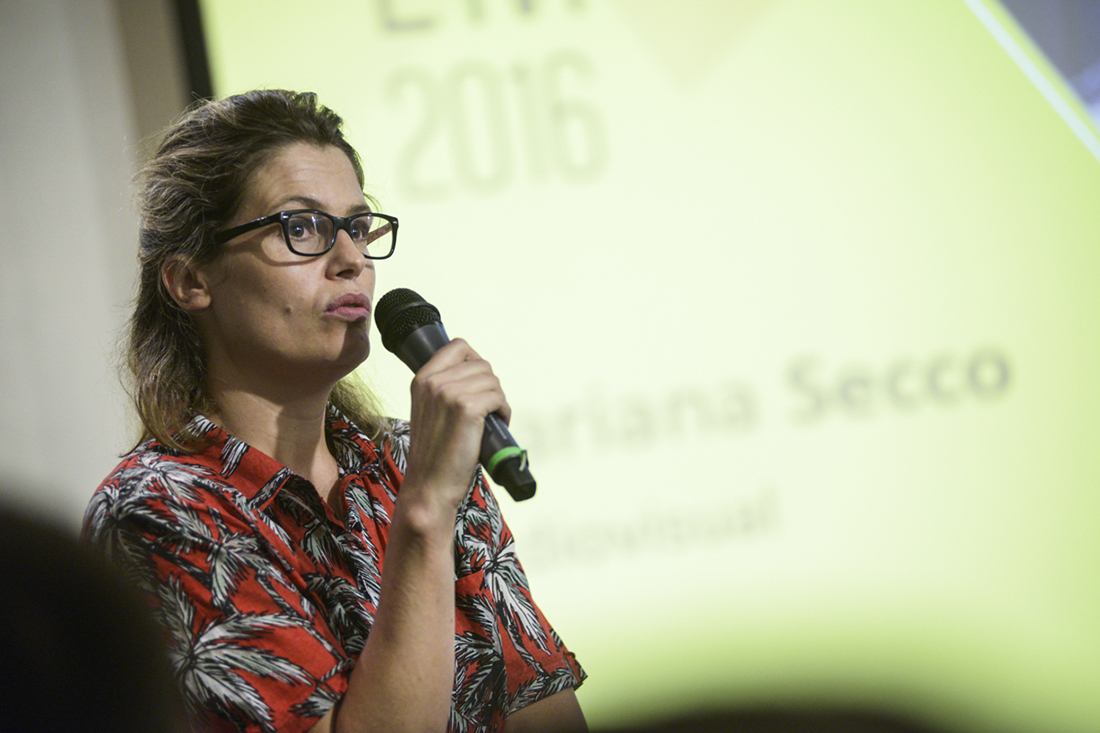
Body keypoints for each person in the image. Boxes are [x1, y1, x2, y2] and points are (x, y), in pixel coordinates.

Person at [82, 89, 586, 733]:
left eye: (357, 225)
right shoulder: (157, 513)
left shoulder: (408, 460)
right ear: (191, 281)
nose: (351, 260)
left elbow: (547, 710)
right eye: (303, 228)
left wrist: (428, 496)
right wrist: (425, 518)